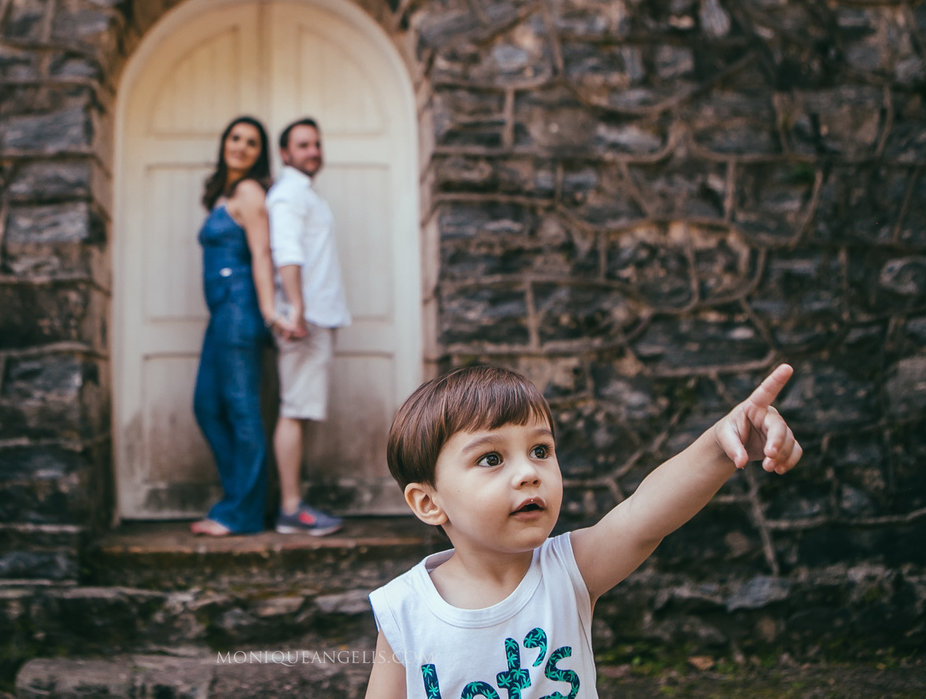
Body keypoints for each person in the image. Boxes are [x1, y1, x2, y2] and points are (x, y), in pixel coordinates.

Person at [364, 363, 802, 698]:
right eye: (491, 459)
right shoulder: (403, 610)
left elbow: (644, 515)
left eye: (540, 450)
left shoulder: (568, 570)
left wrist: (722, 445)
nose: (528, 473)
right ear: (429, 502)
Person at [190, 117, 293, 537]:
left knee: (242, 410)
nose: (241, 147)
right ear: (224, 142)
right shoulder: (223, 194)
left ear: (258, 153)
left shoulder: (250, 192)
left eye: (252, 143)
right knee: (207, 406)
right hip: (222, 315)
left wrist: (270, 312)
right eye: (235, 138)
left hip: (239, 311)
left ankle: (244, 514)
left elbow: (262, 255)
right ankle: (237, 501)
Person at [266, 118, 351, 536]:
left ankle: (293, 504)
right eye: (303, 145)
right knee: (295, 410)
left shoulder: (304, 194)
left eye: (316, 143)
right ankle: (291, 509)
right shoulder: (287, 195)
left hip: (317, 315)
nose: (313, 151)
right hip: (307, 319)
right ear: (285, 153)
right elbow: (286, 251)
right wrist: (297, 309)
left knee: (300, 410)